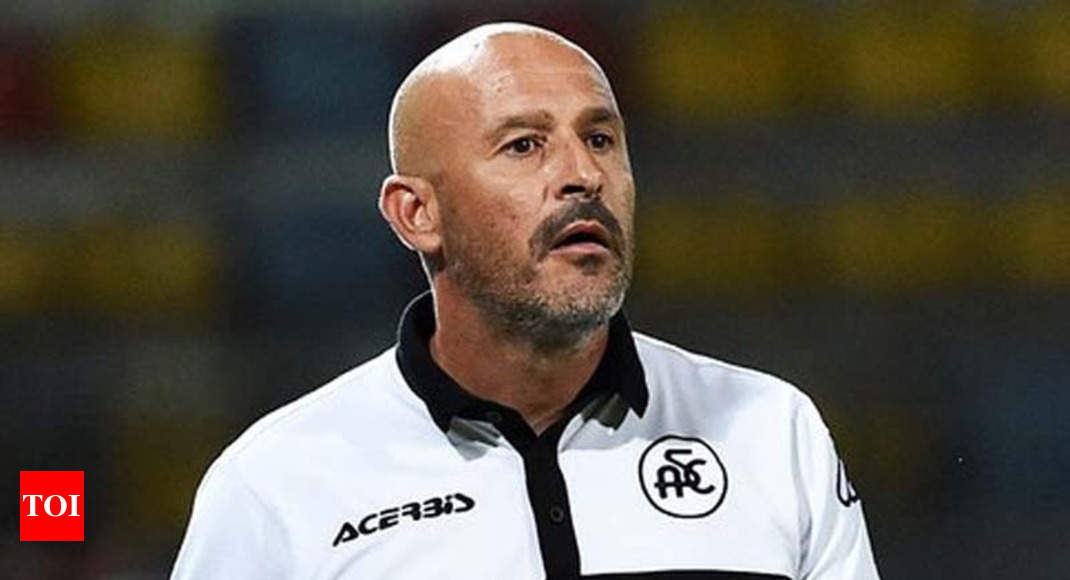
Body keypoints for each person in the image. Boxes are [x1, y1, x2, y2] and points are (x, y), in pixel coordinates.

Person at [171, 22, 880, 579]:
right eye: (523, 145)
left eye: (600, 138)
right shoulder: (276, 483)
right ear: (417, 212)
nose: (582, 174)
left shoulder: (771, 433)